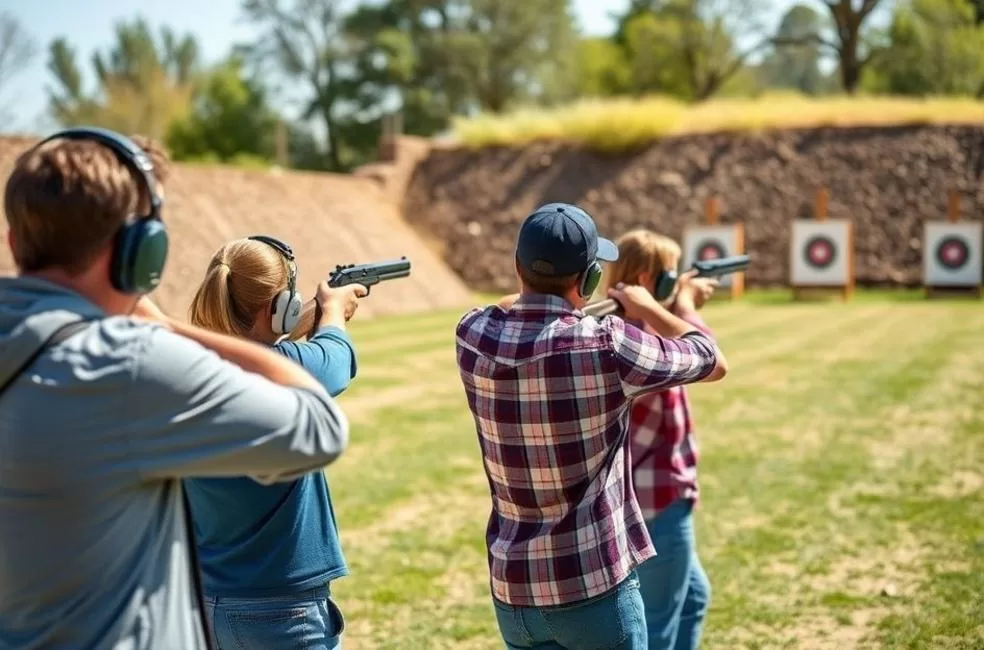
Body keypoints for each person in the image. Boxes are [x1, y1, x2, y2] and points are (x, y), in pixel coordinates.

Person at [0, 128, 352, 650]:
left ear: (14, 241)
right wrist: (163, 327)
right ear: (139, 251)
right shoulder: (131, 364)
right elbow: (317, 428)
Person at [455, 203, 729, 650]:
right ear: (589, 279)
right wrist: (654, 305)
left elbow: (507, 307)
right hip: (593, 587)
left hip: (514, 593)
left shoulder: (472, 333)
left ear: (518, 266)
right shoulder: (608, 344)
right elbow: (711, 359)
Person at [183, 236, 367, 650]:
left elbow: (256, 354)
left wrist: (295, 328)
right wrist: (332, 314)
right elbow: (335, 364)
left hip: (206, 603)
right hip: (283, 611)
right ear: (279, 307)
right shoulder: (276, 370)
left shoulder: (188, 370)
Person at [601, 229, 719, 650]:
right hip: (658, 502)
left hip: (648, 500)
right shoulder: (639, 342)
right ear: (648, 281)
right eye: (668, 276)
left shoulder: (618, 330)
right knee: (659, 625)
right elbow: (709, 357)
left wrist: (660, 304)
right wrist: (683, 305)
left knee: (693, 599)